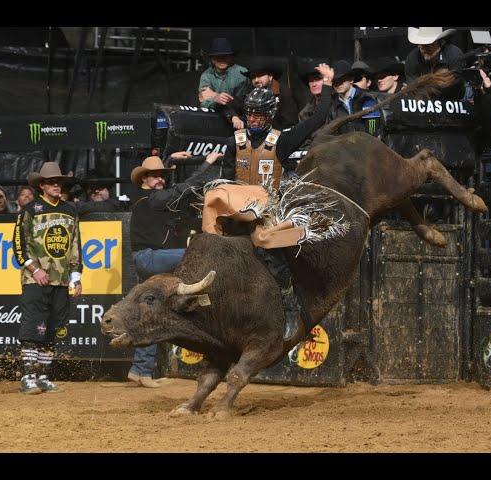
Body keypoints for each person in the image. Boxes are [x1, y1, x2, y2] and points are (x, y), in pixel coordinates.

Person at [198, 63, 335, 340]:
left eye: (259, 115)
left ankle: (290, 310)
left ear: (269, 115)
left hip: (268, 213)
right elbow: (224, 179)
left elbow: (317, 119)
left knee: (276, 260)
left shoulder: (281, 141)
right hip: (237, 212)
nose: (254, 119)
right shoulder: (233, 143)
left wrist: (328, 86)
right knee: (210, 250)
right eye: (250, 114)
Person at [127, 151, 224, 388]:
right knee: (195, 253)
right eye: (154, 176)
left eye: (162, 175)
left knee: (151, 312)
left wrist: (170, 160)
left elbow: (177, 190)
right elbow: (185, 188)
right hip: (148, 258)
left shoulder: (153, 199)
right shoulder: (151, 199)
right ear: (143, 181)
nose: (159, 179)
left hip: (149, 259)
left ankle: (140, 370)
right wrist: (207, 163)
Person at [12, 162, 83, 394]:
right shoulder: (30, 210)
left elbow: (75, 245)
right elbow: (19, 245)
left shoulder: (70, 210)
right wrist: (35, 269)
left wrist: (75, 275)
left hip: (61, 281)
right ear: (41, 185)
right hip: (36, 280)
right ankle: (27, 377)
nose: (56, 185)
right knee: (34, 325)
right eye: (51, 181)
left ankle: (43, 375)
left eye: (58, 181)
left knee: (53, 328)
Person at [198, 37, 250, 130]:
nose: (222, 59)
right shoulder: (206, 76)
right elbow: (203, 102)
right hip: (215, 120)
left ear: (231, 57)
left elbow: (244, 101)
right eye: (218, 56)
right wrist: (216, 99)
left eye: (225, 56)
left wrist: (213, 95)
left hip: (239, 120)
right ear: (212, 59)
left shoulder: (242, 73)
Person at [238, 59, 299, 130]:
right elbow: (236, 103)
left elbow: (290, 122)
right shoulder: (253, 93)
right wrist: (234, 117)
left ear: (270, 76)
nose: (256, 80)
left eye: (260, 75)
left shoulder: (284, 93)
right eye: (253, 77)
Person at [327, 60, 381, 135]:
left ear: (351, 80)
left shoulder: (367, 99)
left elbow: (372, 131)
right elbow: (331, 133)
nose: (338, 83)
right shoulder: (332, 105)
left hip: (367, 144)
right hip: (343, 146)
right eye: (334, 80)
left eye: (342, 79)